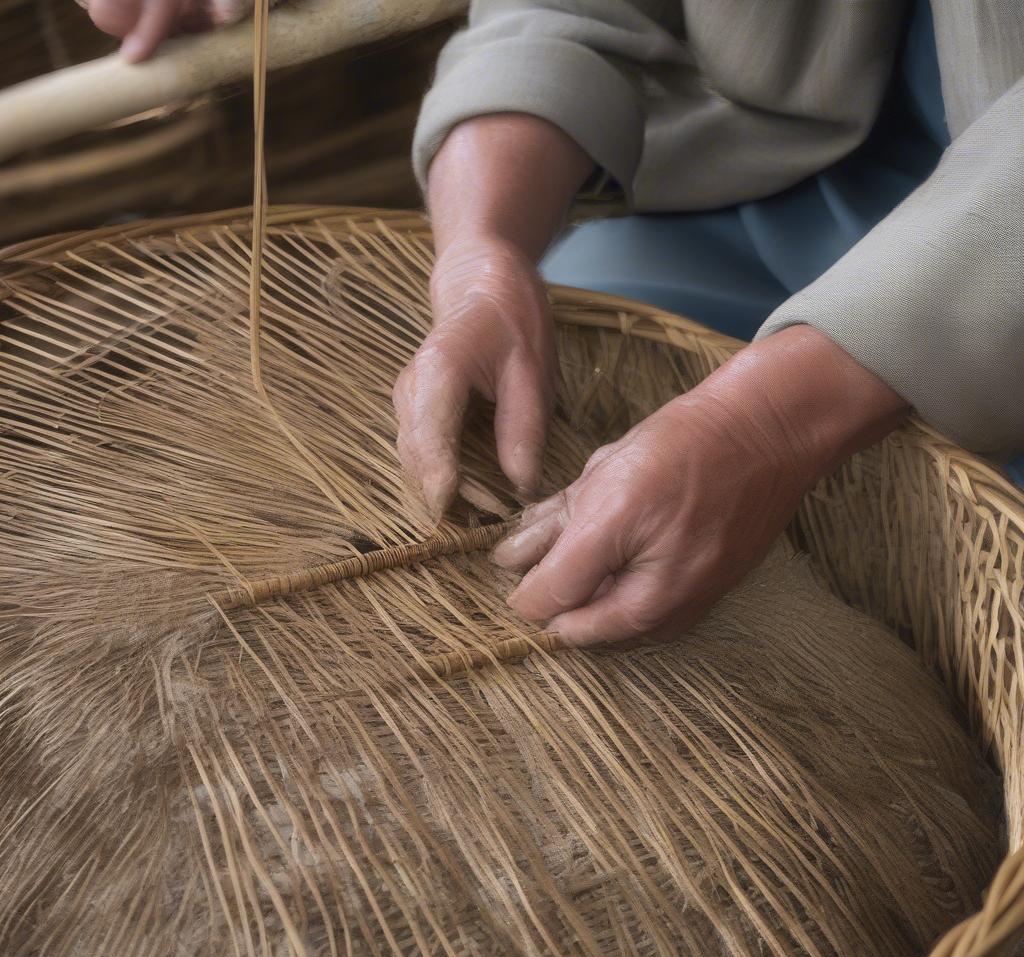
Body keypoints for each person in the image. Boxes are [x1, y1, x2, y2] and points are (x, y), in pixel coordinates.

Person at [90, 0, 1024, 648]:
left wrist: (760, 425)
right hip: (757, 190)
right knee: (556, 386)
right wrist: (481, 253)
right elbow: (566, 14)